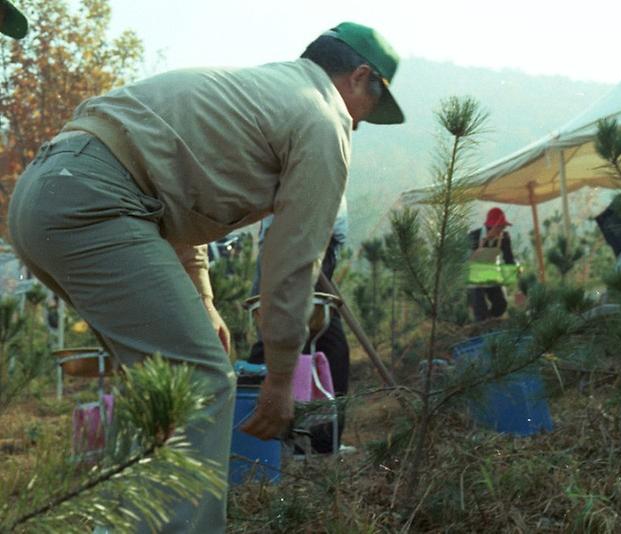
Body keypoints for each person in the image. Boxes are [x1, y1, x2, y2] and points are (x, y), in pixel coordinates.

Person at [7, 21, 403, 533]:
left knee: (163, 385)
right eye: (374, 108)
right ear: (360, 77)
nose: (363, 124)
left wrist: (205, 301)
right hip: (93, 202)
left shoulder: (262, 92)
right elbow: (292, 261)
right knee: (201, 380)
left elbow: (173, 197)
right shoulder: (322, 118)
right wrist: (282, 377)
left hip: (47, 194)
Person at [246, 198, 351, 454]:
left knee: (326, 343)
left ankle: (321, 440)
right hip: (293, 240)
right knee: (281, 339)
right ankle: (266, 438)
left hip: (318, 241)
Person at [467, 207, 517, 321]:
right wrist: (482, 244)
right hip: (474, 275)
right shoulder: (473, 236)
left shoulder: (504, 238)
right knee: (480, 310)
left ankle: (491, 323)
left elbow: (509, 258)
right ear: (492, 226)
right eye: (500, 227)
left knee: (501, 305)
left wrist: (513, 275)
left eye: (503, 227)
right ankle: (483, 326)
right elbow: (466, 259)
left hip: (491, 271)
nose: (502, 230)